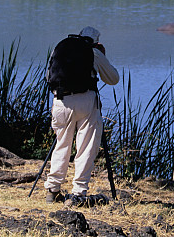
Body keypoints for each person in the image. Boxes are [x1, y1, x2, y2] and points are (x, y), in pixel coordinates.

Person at [45, 26, 119, 205]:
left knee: (62, 144)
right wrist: (103, 56)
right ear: (96, 41)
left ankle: (52, 190)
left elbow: (49, 76)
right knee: (86, 146)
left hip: (60, 101)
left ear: (78, 36)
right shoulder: (94, 52)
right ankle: (78, 192)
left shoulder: (60, 47)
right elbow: (113, 79)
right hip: (86, 102)